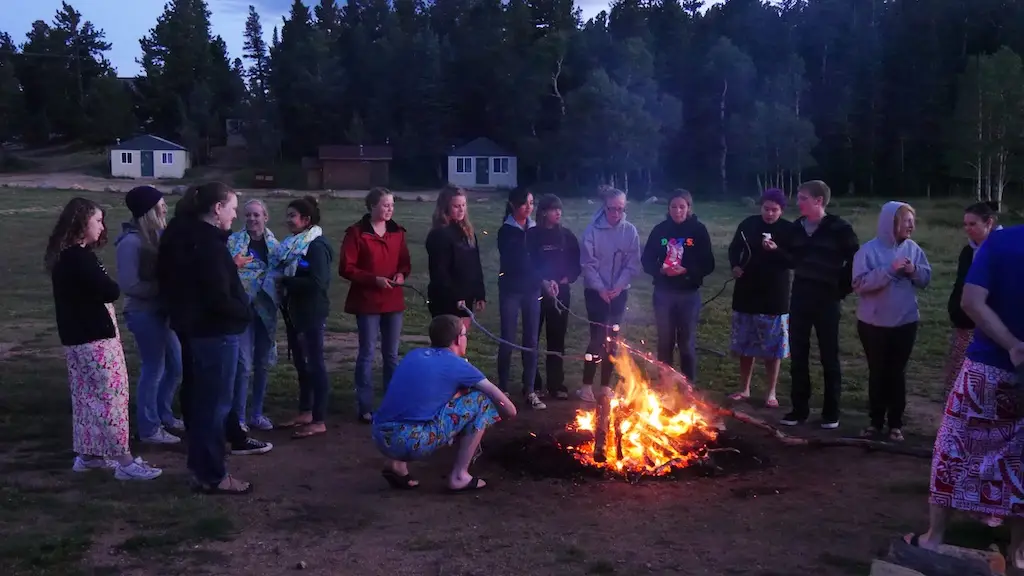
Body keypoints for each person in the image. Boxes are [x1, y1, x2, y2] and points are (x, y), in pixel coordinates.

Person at [910, 224, 1024, 559]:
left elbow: (972, 301)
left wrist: (1013, 345)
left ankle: (934, 537)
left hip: (987, 368)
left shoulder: (1003, 241)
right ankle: (1019, 553)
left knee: (954, 446)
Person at [46, 197, 162, 480]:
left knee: (86, 398)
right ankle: (124, 461)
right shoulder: (79, 257)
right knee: (112, 398)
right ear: (82, 223)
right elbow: (110, 290)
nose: (102, 226)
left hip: (76, 337)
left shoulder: (65, 256)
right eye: (97, 220)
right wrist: (106, 283)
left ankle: (89, 456)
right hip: (95, 338)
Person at [159, 189, 272, 458]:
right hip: (213, 329)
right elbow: (216, 293)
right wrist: (242, 312)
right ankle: (210, 466)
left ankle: (214, 446)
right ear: (217, 207)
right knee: (215, 398)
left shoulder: (182, 233)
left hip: (193, 324)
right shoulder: (206, 243)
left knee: (203, 392)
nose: (237, 214)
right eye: (233, 208)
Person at [372, 315, 518, 491]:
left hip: (380, 435)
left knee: (426, 404)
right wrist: (493, 418)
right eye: (465, 335)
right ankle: (459, 476)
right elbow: (509, 409)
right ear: (457, 339)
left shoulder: (414, 354)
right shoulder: (458, 365)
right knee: (482, 401)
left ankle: (396, 465)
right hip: (410, 442)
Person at [780, 180, 860, 429]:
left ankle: (831, 412)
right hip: (801, 296)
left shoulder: (839, 228)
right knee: (799, 355)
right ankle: (799, 409)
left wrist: (841, 289)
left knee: (829, 355)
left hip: (827, 299)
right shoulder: (796, 228)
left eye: (803, 197)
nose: (798, 202)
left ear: (818, 201)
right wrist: (777, 252)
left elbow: (856, 259)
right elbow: (793, 259)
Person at [852, 202, 931, 442]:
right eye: (906, 220)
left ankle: (896, 424)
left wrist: (913, 270)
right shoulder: (868, 251)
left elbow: (925, 278)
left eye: (912, 221)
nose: (911, 225)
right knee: (878, 372)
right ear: (891, 223)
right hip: (873, 324)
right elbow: (859, 284)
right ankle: (875, 422)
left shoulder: (913, 248)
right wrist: (889, 270)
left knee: (897, 373)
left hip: (905, 322)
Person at [115, 185, 183, 445]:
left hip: (162, 312)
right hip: (144, 314)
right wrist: (165, 288)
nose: (165, 207)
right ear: (149, 210)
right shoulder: (131, 242)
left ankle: (164, 415)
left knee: (176, 365)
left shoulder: (156, 236)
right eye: (160, 204)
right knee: (154, 368)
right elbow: (129, 285)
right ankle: (149, 429)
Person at [339, 187, 411, 424]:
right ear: (372, 206)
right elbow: (347, 267)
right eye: (385, 205)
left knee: (391, 355)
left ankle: (392, 403)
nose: (390, 209)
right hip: (368, 301)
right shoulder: (357, 233)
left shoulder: (398, 232)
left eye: (392, 205)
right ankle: (366, 406)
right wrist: (373, 280)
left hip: (393, 301)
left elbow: (404, 263)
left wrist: (401, 275)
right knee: (367, 353)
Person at [640, 189, 715, 387]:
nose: (677, 211)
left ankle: (688, 386)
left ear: (689, 208)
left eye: (682, 207)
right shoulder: (660, 230)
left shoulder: (698, 231)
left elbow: (709, 263)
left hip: (688, 294)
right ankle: (665, 385)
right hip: (663, 294)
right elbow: (647, 260)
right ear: (668, 208)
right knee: (665, 342)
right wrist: (662, 270)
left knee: (686, 344)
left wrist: (687, 270)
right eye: (674, 206)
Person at [726, 188, 793, 407]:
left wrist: (776, 251)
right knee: (745, 344)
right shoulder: (748, 225)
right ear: (760, 207)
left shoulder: (788, 230)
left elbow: (794, 260)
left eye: (774, 210)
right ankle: (744, 388)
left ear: (781, 210)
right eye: (766, 209)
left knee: (772, 348)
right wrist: (735, 265)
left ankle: (770, 393)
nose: (770, 214)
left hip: (774, 295)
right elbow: (734, 248)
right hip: (747, 291)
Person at [275, 196, 334, 439]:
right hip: (294, 312)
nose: (288, 220)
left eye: (293, 216)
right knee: (301, 363)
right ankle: (305, 411)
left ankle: (319, 418)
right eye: (288, 215)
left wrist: (285, 281)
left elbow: (317, 283)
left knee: (315, 365)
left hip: (310, 313)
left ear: (306, 220)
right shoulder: (293, 244)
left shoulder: (316, 246)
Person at [578, 186, 642, 403]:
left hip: (619, 292)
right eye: (611, 209)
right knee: (597, 337)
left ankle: (605, 386)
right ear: (604, 208)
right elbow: (587, 263)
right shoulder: (592, 231)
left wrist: (619, 285)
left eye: (620, 209)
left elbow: (632, 263)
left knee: (612, 339)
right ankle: (586, 386)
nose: (615, 213)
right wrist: (601, 288)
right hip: (595, 292)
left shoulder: (630, 231)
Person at [226, 199, 280, 431]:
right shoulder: (234, 241)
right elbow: (225, 271)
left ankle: (256, 414)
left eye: (256, 215)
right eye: (248, 215)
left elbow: (281, 272)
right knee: (244, 365)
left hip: (266, 311)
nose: (251, 219)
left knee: (263, 364)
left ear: (265, 217)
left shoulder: (276, 245)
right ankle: (238, 417)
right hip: (243, 310)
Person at [526, 194, 581, 400]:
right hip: (536, 292)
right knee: (532, 338)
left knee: (557, 338)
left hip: (561, 293)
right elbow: (529, 263)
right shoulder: (532, 235)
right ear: (543, 212)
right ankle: (533, 382)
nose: (558, 213)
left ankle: (556, 383)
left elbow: (576, 263)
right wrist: (543, 281)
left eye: (559, 209)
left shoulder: (566, 236)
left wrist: (566, 278)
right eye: (553, 209)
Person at [945, 201, 1001, 396]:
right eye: (965, 224)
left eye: (973, 224)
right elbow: (960, 285)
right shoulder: (968, 252)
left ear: (989, 223)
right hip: (965, 324)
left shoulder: (1002, 250)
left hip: (993, 327)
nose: (968, 229)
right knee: (957, 378)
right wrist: (956, 310)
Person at [496, 187, 545, 410]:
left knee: (531, 341)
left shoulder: (535, 229)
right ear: (514, 205)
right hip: (511, 290)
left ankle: (530, 389)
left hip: (532, 291)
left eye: (532, 203)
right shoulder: (506, 231)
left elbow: (540, 258)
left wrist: (544, 278)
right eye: (525, 203)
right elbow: (512, 261)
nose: (529, 207)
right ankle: (503, 389)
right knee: (507, 339)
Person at [425, 185, 485, 330]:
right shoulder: (439, 235)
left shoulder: (468, 233)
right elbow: (440, 272)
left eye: (463, 205)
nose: (461, 209)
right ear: (446, 207)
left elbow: (475, 265)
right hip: (446, 300)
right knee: (448, 341)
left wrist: (480, 294)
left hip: (466, 298)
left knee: (461, 341)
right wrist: (455, 296)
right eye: (456, 206)